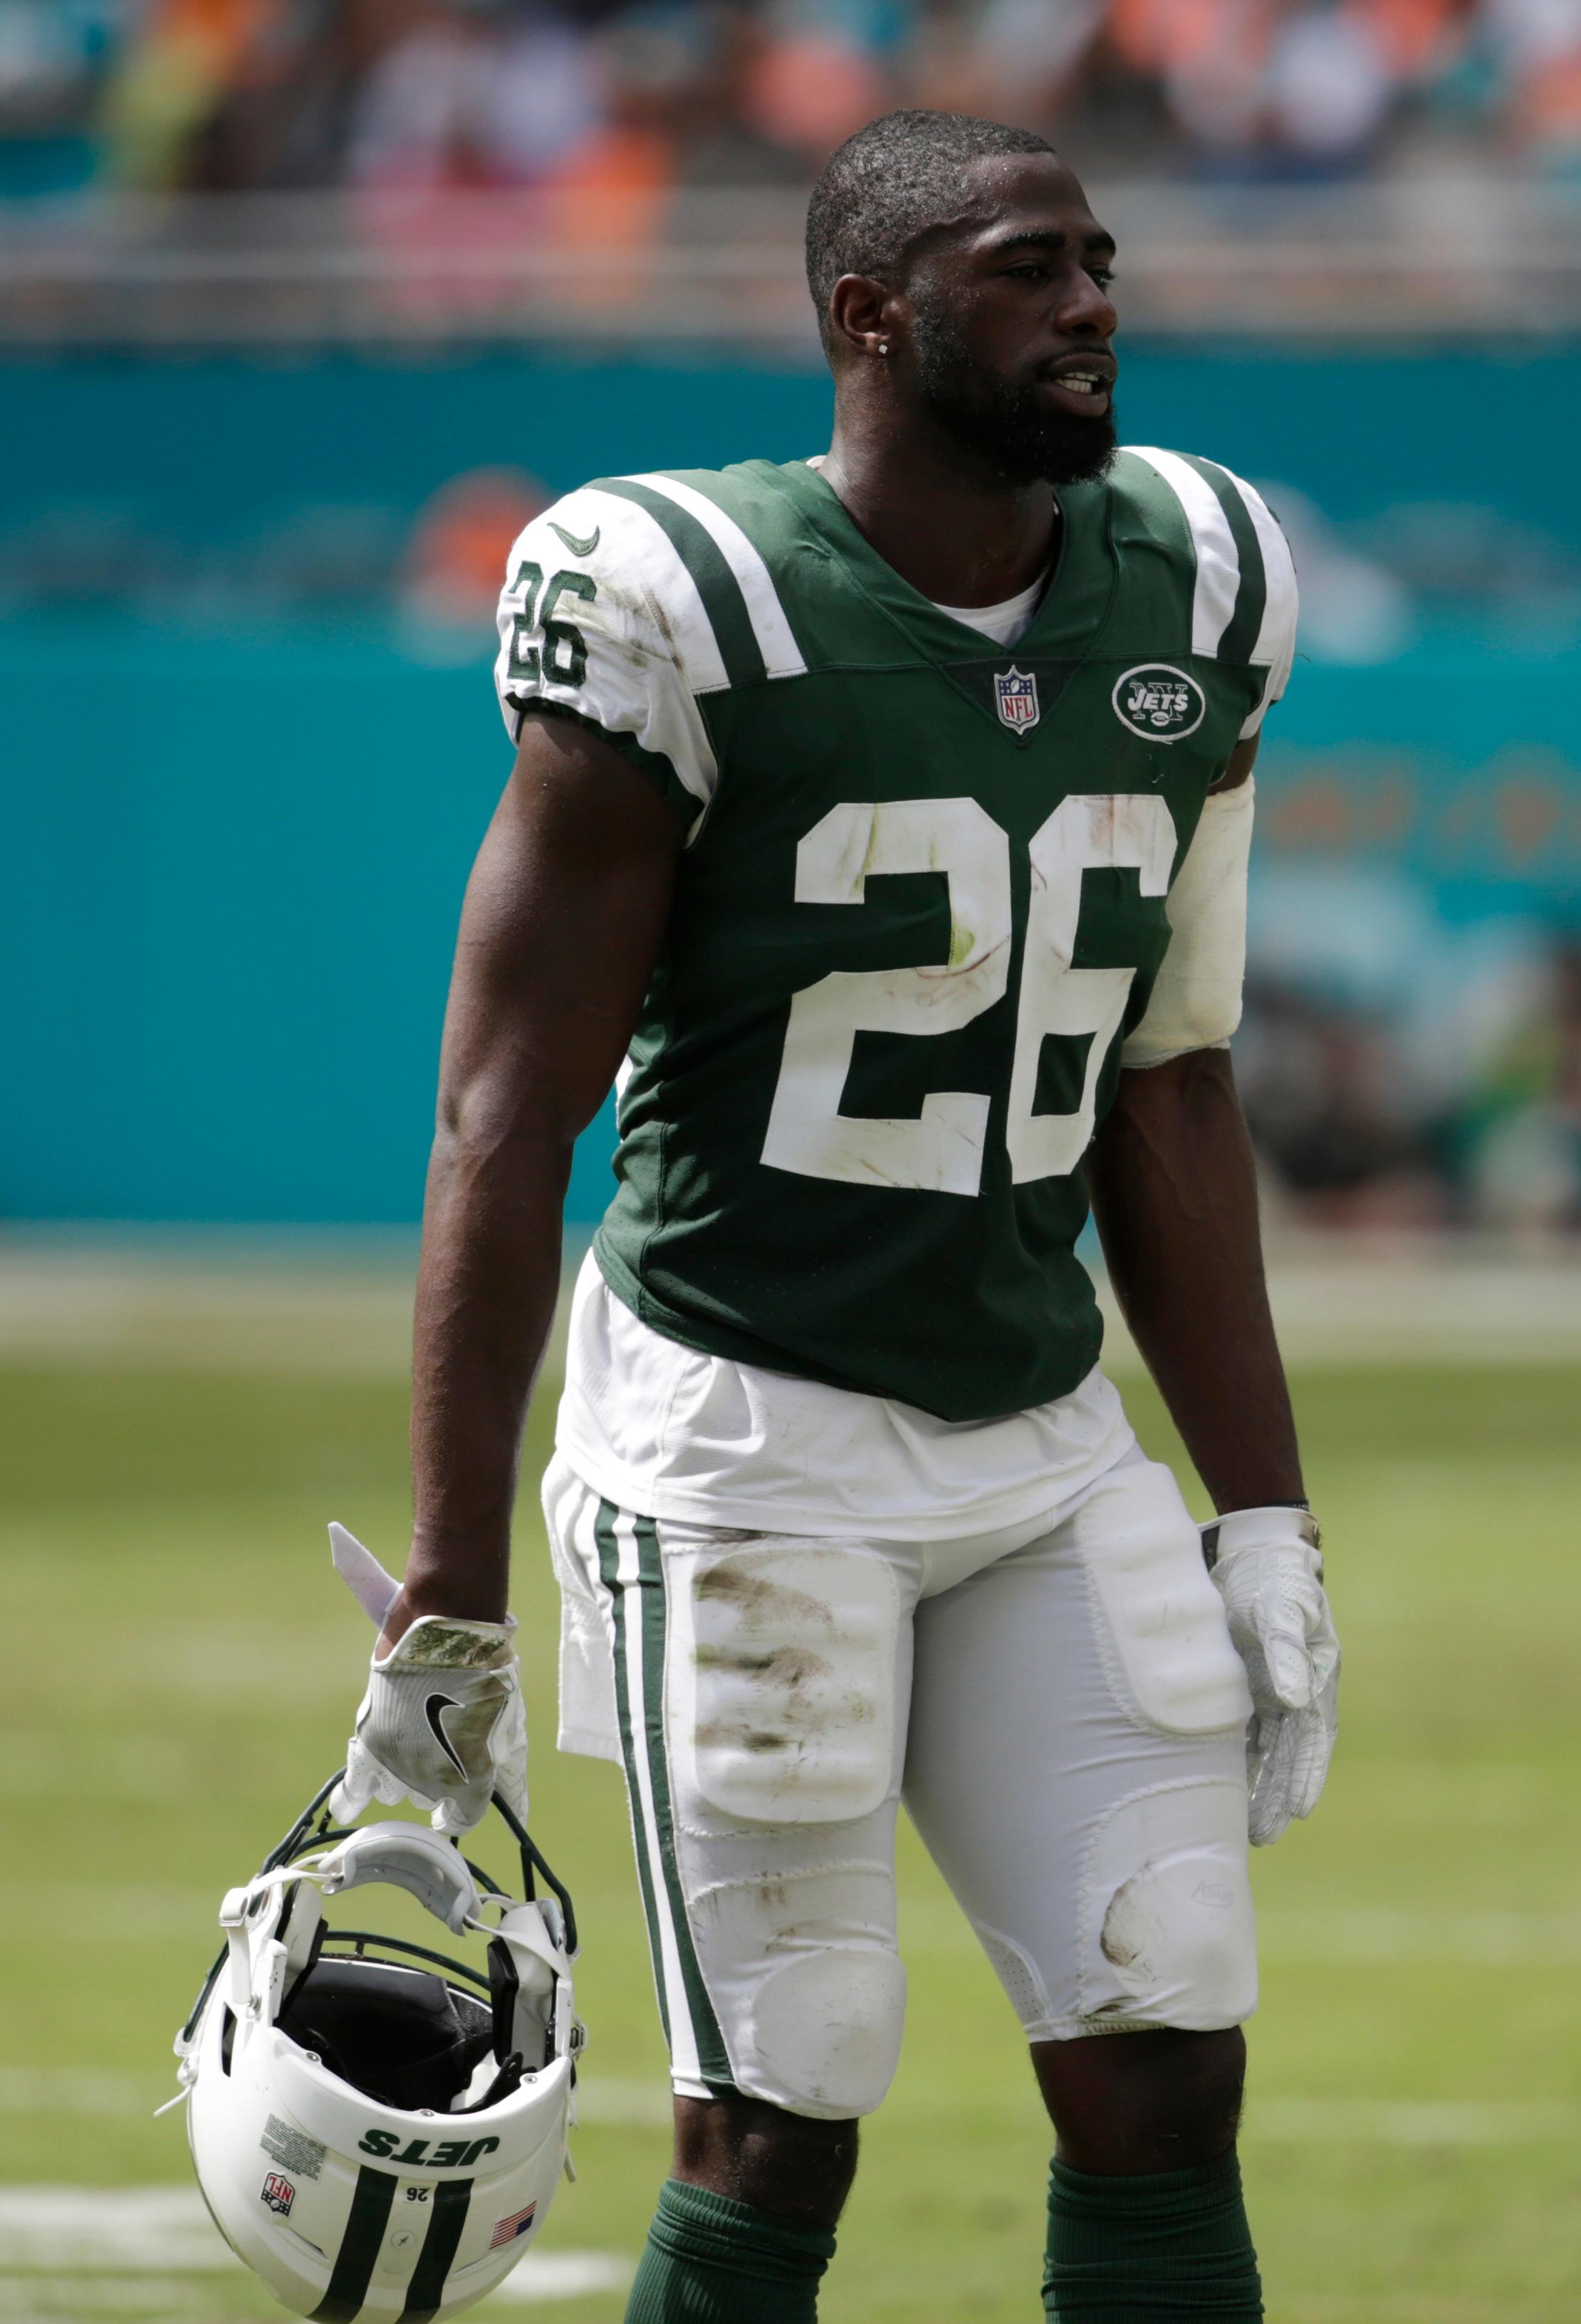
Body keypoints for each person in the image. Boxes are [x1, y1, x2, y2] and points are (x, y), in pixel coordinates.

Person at [332, 108, 1340, 2323]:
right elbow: (507, 1121)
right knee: (784, 2096)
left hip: (1032, 1422)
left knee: (1165, 2043)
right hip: (738, 1441)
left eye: (1097, 259)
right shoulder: (683, 596)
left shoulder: (1200, 574)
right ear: (870, 317)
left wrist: (1258, 1509)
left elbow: (1163, 1078)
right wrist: (447, 1587)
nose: (1090, 304)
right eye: (1025, 269)